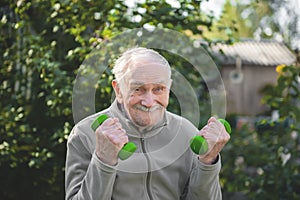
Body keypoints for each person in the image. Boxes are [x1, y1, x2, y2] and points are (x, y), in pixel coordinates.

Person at [65, 47, 230, 200]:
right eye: (138, 89)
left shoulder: (186, 132)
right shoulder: (85, 134)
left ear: (169, 87)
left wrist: (208, 162)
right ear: (118, 90)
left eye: (159, 89)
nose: (149, 102)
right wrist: (103, 160)